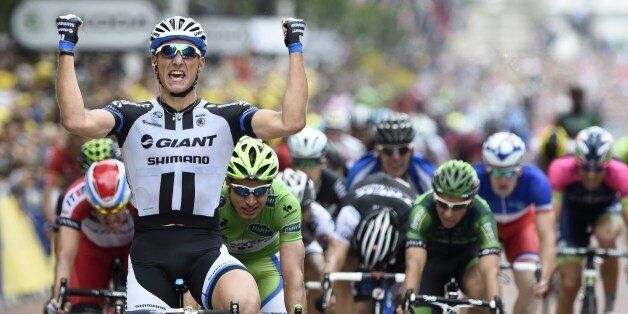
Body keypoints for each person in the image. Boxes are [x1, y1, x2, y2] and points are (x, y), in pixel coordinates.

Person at [55, 14, 307, 312]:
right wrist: (66, 47)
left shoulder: (226, 116)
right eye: (167, 52)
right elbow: (75, 120)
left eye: (188, 52)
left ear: (200, 63)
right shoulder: (130, 114)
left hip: (206, 246)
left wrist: (295, 47)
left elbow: (291, 121)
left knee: (245, 301)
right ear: (154, 61)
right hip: (150, 253)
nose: (177, 60)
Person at [401, 160, 502, 314]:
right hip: (432, 262)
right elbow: (414, 263)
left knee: (483, 293)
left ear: (471, 202)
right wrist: (406, 302)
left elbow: (490, 270)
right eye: (442, 204)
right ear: (434, 196)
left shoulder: (482, 213)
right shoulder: (422, 208)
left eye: (458, 207)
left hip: (467, 261)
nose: (448, 213)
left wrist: (496, 303)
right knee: (416, 310)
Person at [218, 137, 306, 313]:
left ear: (270, 186)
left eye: (260, 191)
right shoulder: (213, 198)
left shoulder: (285, 202)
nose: (250, 201)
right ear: (227, 184)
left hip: (266, 265)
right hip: (222, 262)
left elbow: (294, 276)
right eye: (242, 191)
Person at [549, 126, 628, 314]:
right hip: (572, 218)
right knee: (568, 285)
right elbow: (553, 216)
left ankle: (609, 304)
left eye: (599, 169)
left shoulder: (621, 173)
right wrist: (548, 250)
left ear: (608, 164)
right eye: (585, 168)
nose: (591, 175)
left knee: (607, 237)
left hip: (605, 213)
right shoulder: (560, 169)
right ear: (576, 161)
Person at [475, 132, 555, 314]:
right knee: (480, 287)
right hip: (485, 229)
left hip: (520, 229)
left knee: (531, 284)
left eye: (510, 172)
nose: (503, 179)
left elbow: (547, 236)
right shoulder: (474, 178)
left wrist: (545, 275)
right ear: (486, 167)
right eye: (496, 171)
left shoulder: (536, 181)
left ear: (520, 169)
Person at [47, 159, 133, 313]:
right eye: (103, 213)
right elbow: (65, 256)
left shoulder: (140, 191)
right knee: (83, 308)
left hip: (133, 247)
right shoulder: (75, 197)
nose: (111, 220)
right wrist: (58, 300)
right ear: (91, 202)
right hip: (92, 249)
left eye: (117, 211)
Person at [324, 172, 417, 313]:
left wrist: (406, 302)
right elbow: (334, 256)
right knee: (345, 264)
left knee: (405, 302)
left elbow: (415, 266)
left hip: (400, 245)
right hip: (363, 217)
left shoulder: (412, 219)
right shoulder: (350, 213)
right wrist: (327, 291)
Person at [278, 168, 334, 312]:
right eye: (289, 207)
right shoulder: (265, 210)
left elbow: (330, 253)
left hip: (306, 245)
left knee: (320, 265)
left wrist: (328, 289)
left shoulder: (320, 216)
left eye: (302, 208)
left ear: (311, 206)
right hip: (272, 246)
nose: (296, 215)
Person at [347, 112, 434, 195]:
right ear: (377, 151)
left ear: (411, 151)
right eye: (388, 151)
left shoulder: (424, 172)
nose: (396, 157)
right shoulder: (361, 171)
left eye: (403, 150)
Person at [287, 127, 347, 217]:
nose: (306, 170)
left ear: (324, 163)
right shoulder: (283, 182)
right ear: (292, 164)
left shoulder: (334, 182)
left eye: (312, 163)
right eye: (300, 163)